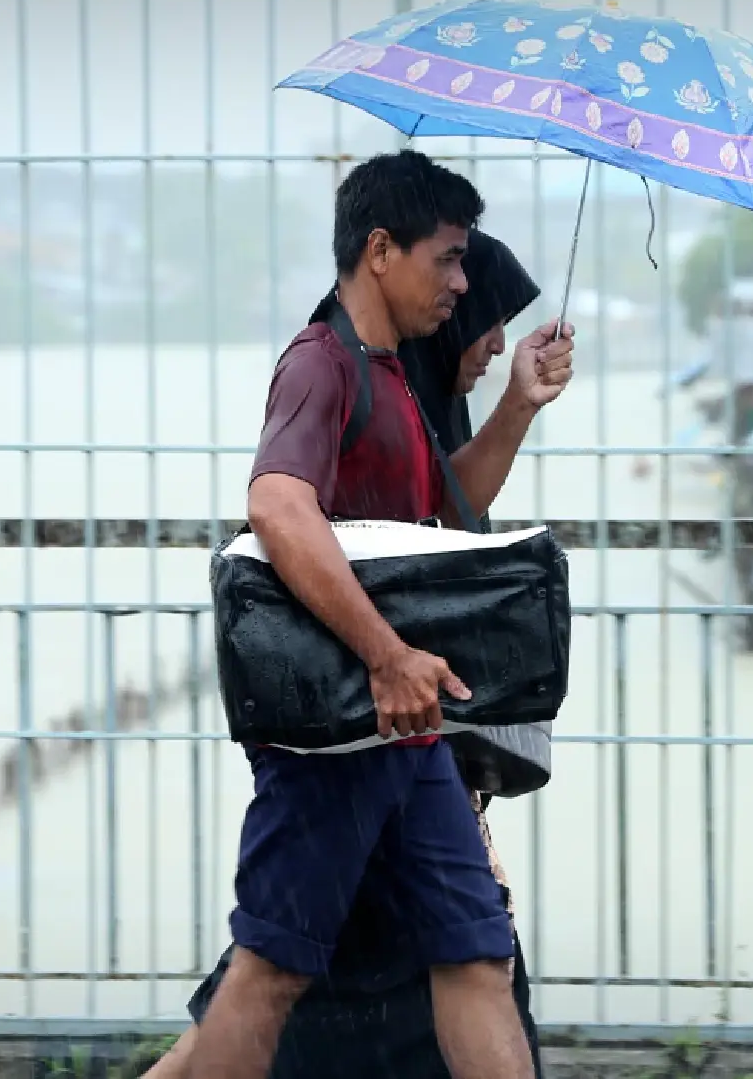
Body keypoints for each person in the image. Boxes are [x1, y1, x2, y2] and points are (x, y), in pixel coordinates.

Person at [183, 151, 574, 1079]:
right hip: (337, 737)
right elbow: (278, 506)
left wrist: (517, 401)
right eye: (447, 259)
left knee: (475, 952)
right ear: (381, 249)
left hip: (408, 728)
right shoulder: (323, 364)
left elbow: (447, 519)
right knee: (269, 976)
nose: (463, 282)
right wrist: (391, 654)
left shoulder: (396, 377)